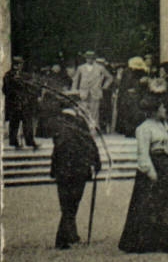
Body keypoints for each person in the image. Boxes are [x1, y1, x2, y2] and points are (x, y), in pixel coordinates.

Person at [119, 94, 168, 253]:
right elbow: (143, 153)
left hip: (166, 167)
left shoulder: (161, 126)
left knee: (165, 205)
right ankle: (146, 241)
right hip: (154, 168)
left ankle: (165, 240)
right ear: (154, 110)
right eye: (162, 107)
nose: (165, 110)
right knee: (148, 206)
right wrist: (151, 172)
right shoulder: (144, 128)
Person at [50, 104, 101, 249]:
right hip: (78, 169)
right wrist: (96, 162)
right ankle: (62, 240)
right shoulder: (79, 122)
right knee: (72, 205)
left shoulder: (57, 122)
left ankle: (71, 236)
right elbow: (90, 143)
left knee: (66, 204)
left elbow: (57, 149)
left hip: (62, 170)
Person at [72, 50, 113, 133]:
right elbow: (75, 80)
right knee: (83, 111)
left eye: (91, 58)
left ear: (94, 59)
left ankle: (94, 129)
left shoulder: (100, 68)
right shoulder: (81, 68)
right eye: (87, 58)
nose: (89, 60)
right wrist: (74, 90)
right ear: (85, 59)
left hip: (95, 92)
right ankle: (84, 129)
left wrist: (104, 86)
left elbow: (110, 77)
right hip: (84, 92)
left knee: (95, 112)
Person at [5, 57, 39, 148]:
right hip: (14, 103)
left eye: (21, 64)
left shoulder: (25, 76)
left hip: (24, 102)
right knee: (14, 123)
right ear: (14, 65)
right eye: (17, 64)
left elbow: (30, 88)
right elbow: (6, 89)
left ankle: (29, 141)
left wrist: (27, 97)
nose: (19, 66)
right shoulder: (8, 76)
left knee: (27, 122)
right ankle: (13, 141)